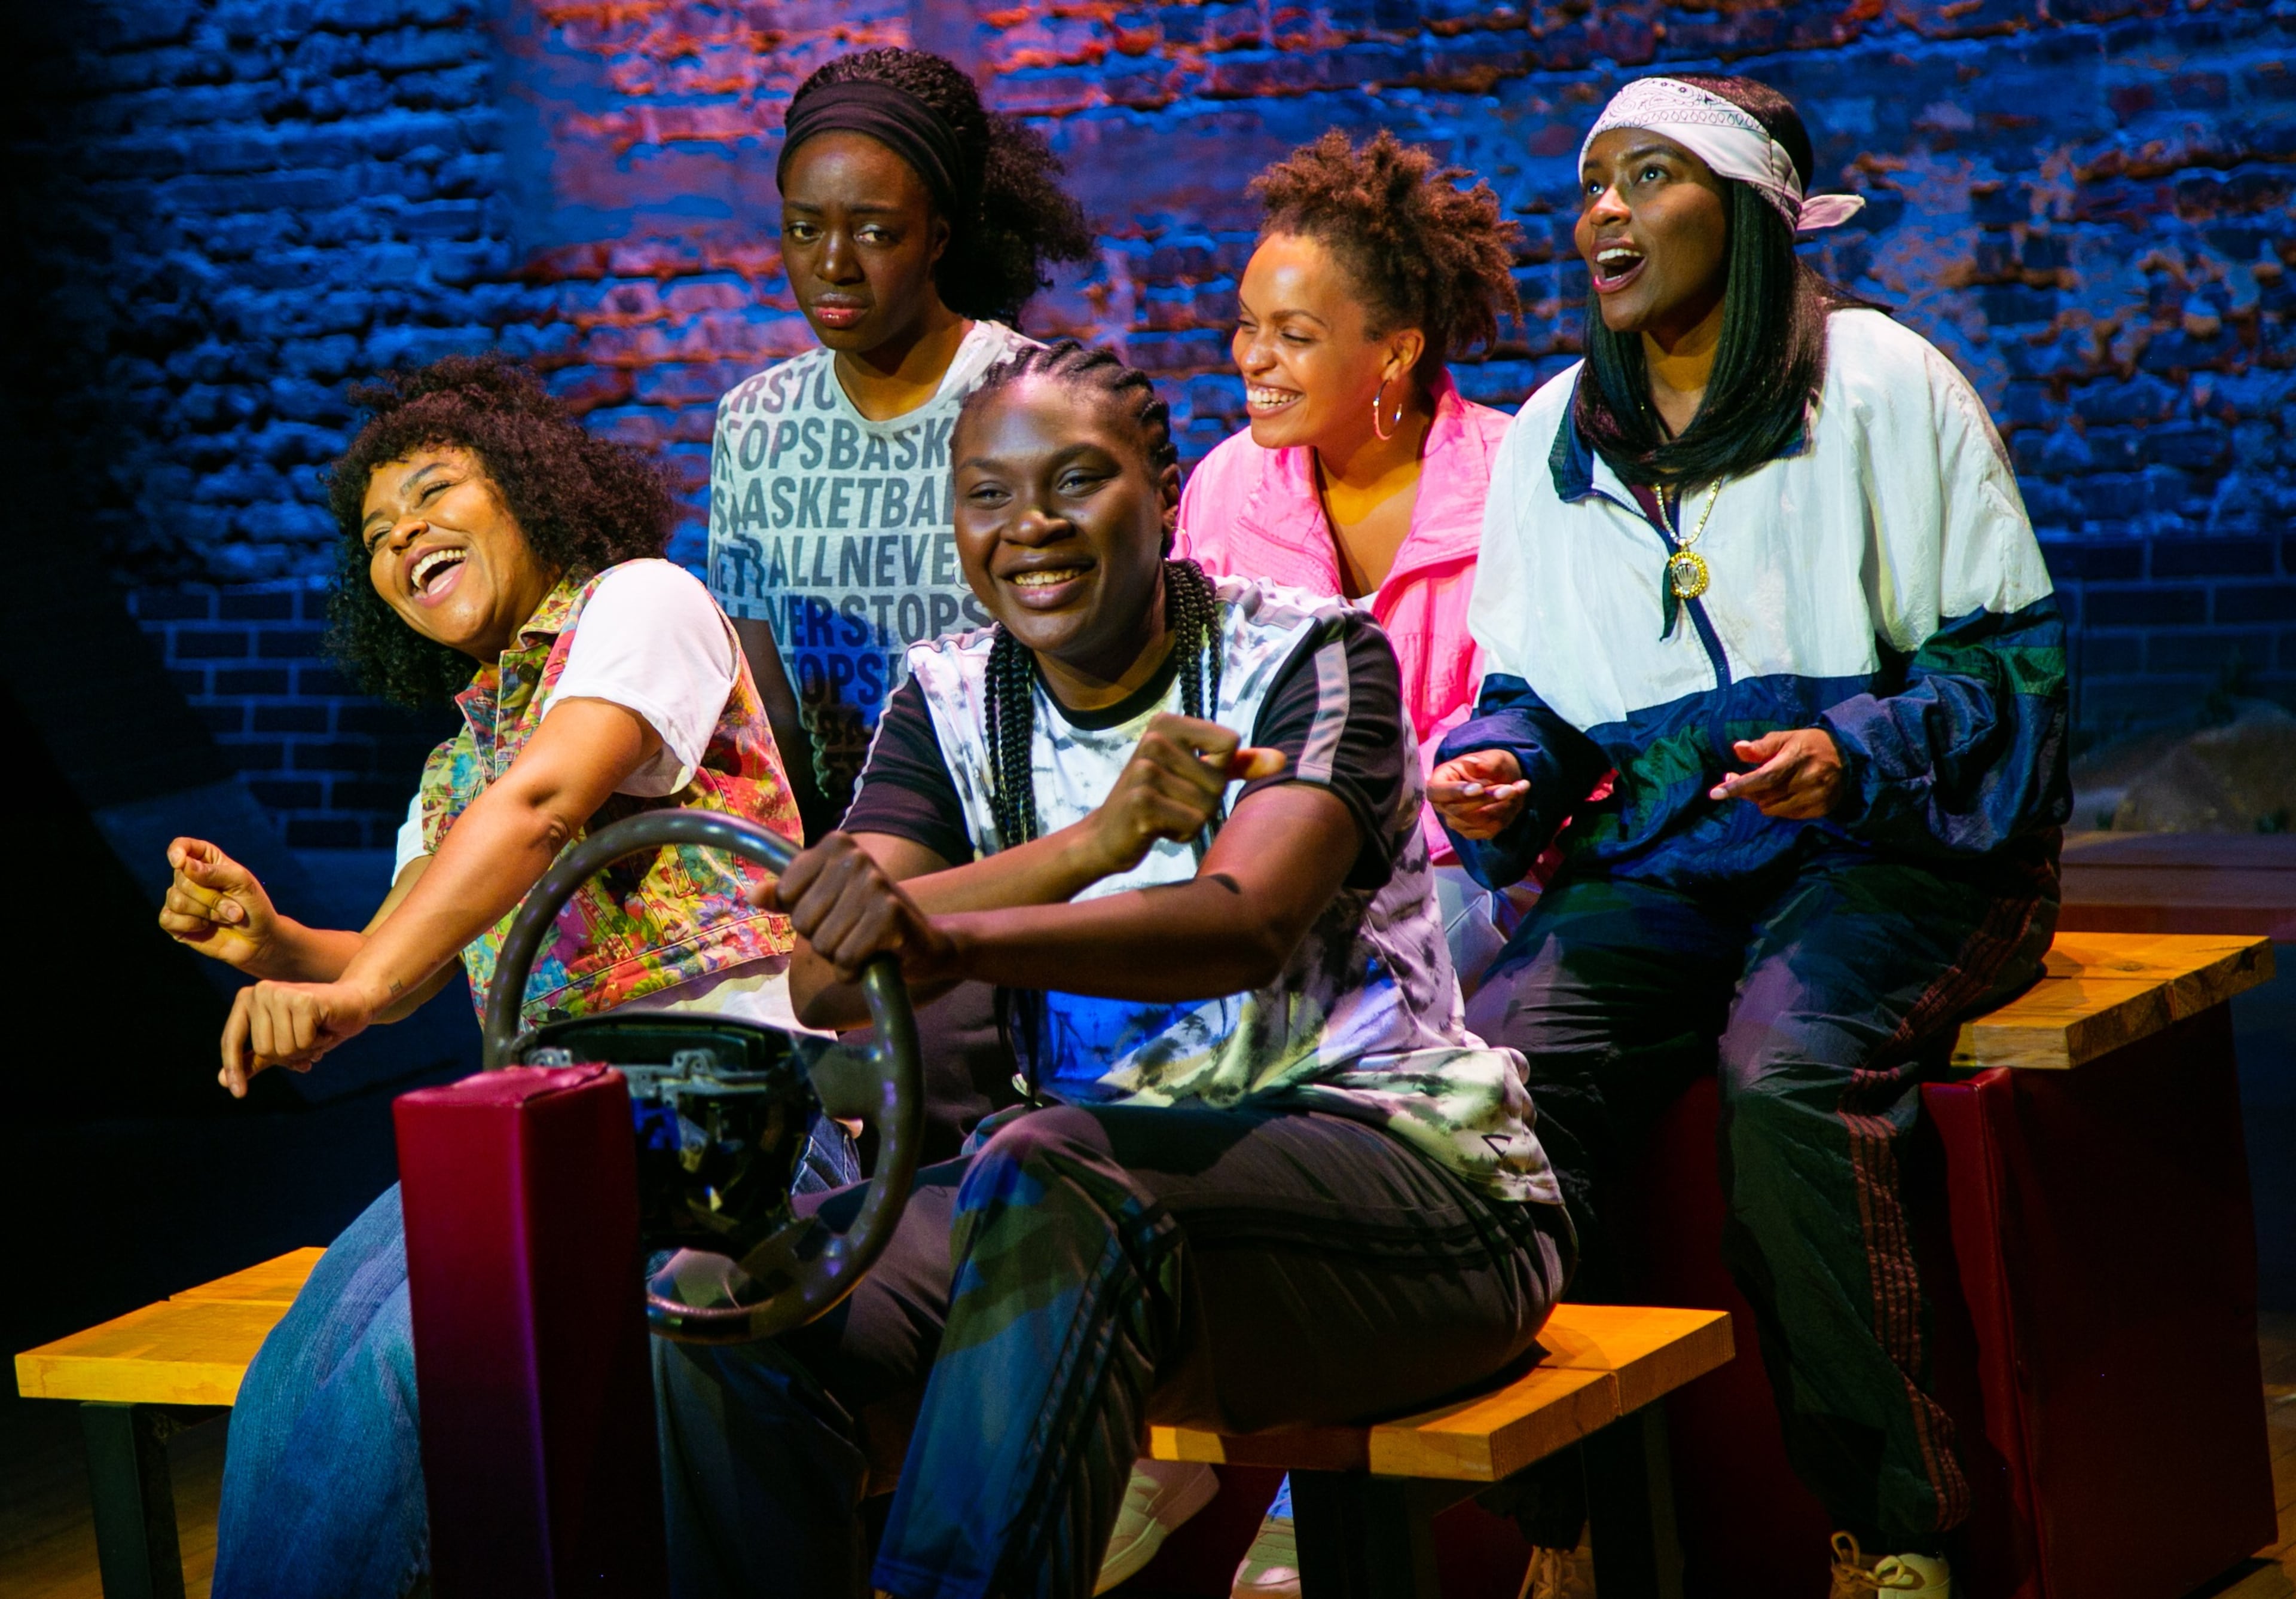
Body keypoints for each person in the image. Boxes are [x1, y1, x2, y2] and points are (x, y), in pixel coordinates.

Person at [651, 340, 1574, 1599]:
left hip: (1415, 1195)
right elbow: (824, 980)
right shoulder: (952, 698)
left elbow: (1239, 922)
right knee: (720, 1301)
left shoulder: (1312, 661)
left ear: (1163, 486)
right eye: (987, 494)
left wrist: (938, 928)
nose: (1028, 526)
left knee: (1047, 1165)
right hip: (1087, 1208)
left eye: (1075, 480)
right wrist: (1090, 845)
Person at [1430, 75, 2068, 1598]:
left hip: (1897, 852)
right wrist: (1501, 767)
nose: (1604, 212)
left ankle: (1897, 1528)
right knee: (1498, 1073)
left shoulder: (1884, 386)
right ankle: (1566, 1528)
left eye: (1648, 178)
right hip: (1673, 856)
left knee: (1785, 1076)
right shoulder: (1553, 440)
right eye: (1593, 183)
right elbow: (1538, 694)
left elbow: (2007, 668)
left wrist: (1852, 756)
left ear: (1751, 214)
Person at [158, 355, 835, 1599]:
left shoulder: (640, 604)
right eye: (375, 532)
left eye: (433, 491)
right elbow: (389, 964)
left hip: (740, 1115)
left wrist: (354, 992)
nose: (403, 532)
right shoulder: (454, 771)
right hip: (547, 1131)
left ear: (531, 490)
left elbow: (546, 804)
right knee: (298, 1376)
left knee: (426, 1357)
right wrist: (277, 948)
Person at [1167, 127, 1564, 1597]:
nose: (1251, 361)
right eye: (1245, 329)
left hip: (1487, 879)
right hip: (1295, 884)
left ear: (1392, 352)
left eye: (1292, 335)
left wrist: (1492, 776)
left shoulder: (1519, 471)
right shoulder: (1223, 493)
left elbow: (1570, 700)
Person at [704, 44, 1094, 1165]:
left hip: (1006, 852)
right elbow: (764, 693)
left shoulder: (1033, 402)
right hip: (838, 866)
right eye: (802, 228)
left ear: (939, 235)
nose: (833, 264)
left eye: (874, 232)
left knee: (929, 1110)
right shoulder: (755, 421)